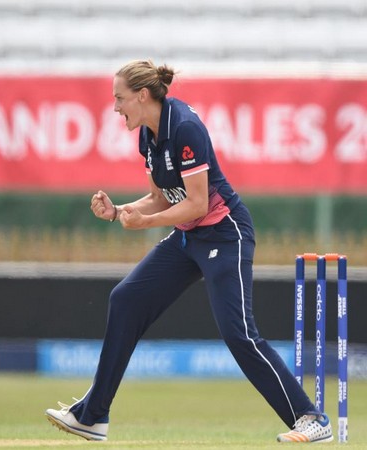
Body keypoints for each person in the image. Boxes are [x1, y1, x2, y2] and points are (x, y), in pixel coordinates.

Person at [45, 60, 333, 444]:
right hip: (188, 236)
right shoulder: (147, 135)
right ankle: (92, 416)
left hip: (224, 233)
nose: (115, 107)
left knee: (239, 333)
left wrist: (145, 223)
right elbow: (160, 197)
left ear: (142, 95)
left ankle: (310, 418)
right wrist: (118, 213)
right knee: (126, 299)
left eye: (119, 98)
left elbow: (197, 204)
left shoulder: (184, 128)